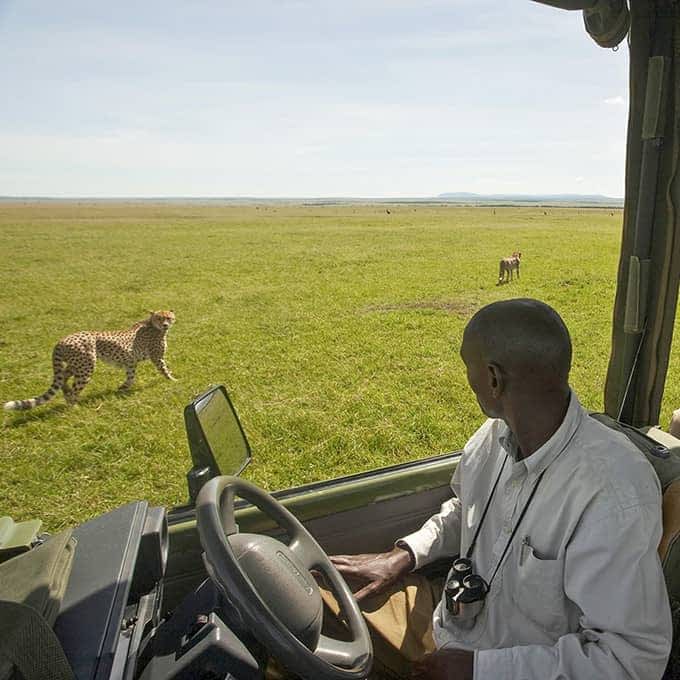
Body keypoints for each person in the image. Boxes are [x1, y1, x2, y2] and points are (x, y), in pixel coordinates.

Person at [327, 298, 673, 679]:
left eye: (467, 366)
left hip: (506, 665)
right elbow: (465, 508)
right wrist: (407, 555)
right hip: (447, 624)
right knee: (315, 599)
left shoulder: (612, 493)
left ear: (494, 378)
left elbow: (630, 662)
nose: (467, 379)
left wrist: (480, 669)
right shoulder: (494, 436)